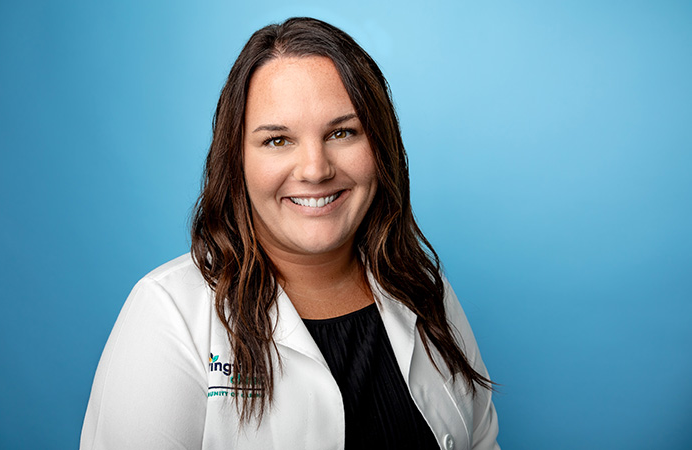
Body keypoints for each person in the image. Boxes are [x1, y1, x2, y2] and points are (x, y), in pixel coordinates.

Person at [80, 17, 500, 450]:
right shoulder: (169, 313)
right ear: (237, 158)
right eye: (278, 140)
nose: (316, 170)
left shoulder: (424, 289)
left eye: (342, 132)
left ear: (380, 145)